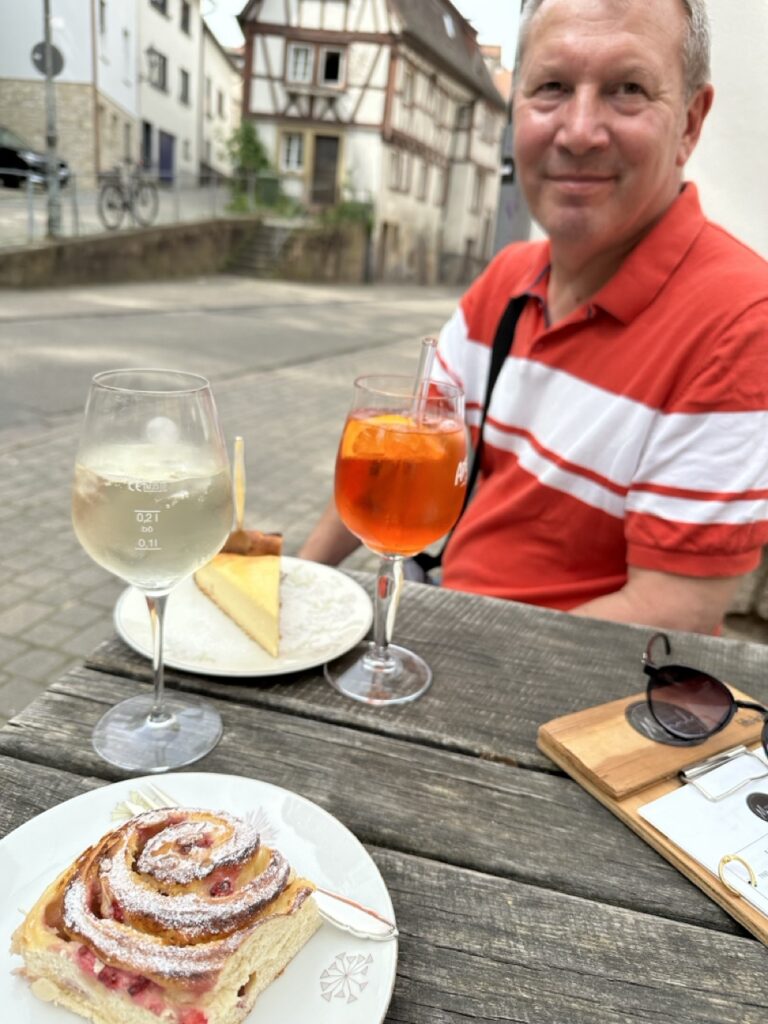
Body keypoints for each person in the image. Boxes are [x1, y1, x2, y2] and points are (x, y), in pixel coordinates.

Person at [300, 0, 768, 635]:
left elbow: (672, 613)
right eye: (550, 87)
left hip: (567, 695)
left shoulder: (740, 320)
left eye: (627, 89)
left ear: (689, 122)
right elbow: (396, 466)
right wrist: (293, 589)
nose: (578, 132)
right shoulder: (509, 277)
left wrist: (446, 658)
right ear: (515, 106)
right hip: (445, 615)